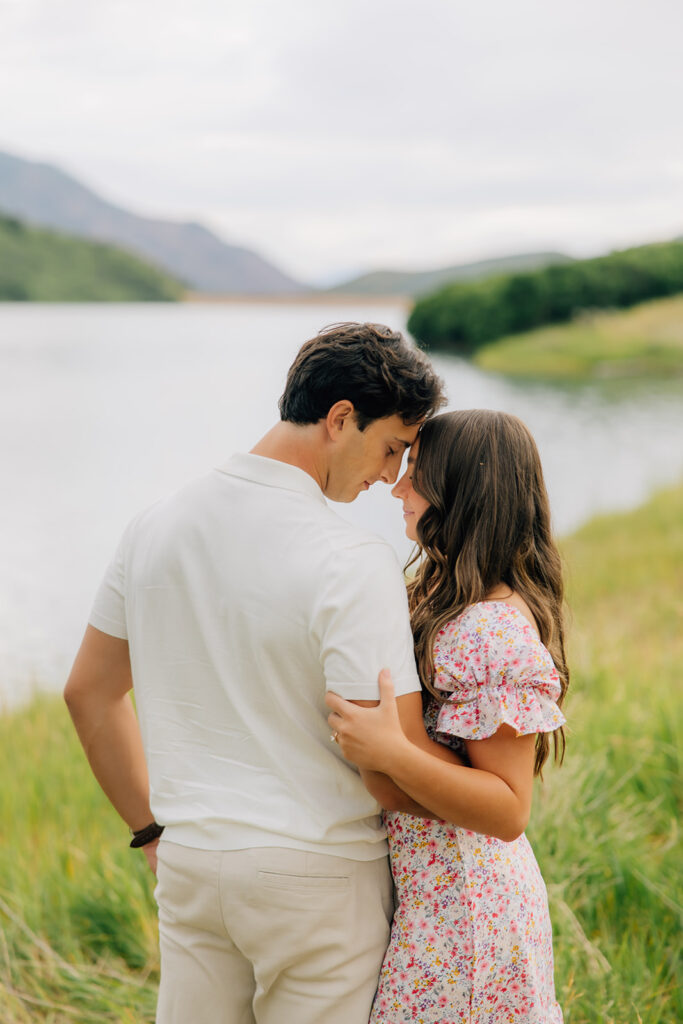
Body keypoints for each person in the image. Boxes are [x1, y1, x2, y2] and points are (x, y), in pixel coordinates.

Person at [63, 322, 457, 1024]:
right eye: (391, 447)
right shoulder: (349, 558)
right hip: (317, 877)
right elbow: (384, 769)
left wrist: (150, 832)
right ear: (340, 419)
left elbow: (88, 693)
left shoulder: (153, 526)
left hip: (190, 865)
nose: (390, 476)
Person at [326, 409, 568, 1023]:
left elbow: (508, 809)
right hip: (442, 902)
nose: (398, 487)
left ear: (462, 495)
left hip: (467, 920)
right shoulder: (448, 596)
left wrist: (392, 755)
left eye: (417, 474)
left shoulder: (489, 627)